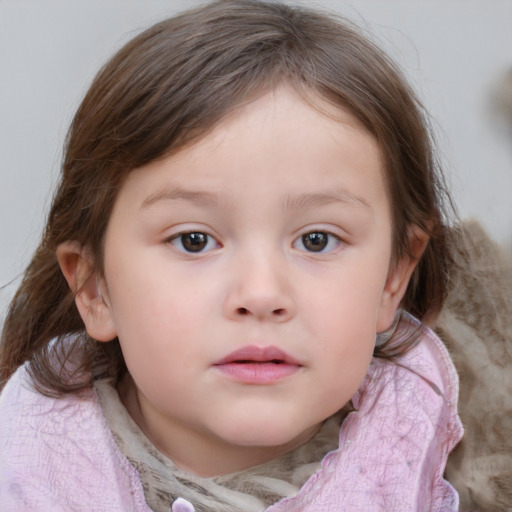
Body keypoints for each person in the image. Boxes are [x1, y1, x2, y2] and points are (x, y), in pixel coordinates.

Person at [0, 1, 463, 510]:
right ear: (94, 289)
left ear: (393, 278)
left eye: (316, 239)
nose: (261, 294)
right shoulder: (31, 467)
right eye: (193, 240)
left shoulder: (423, 444)